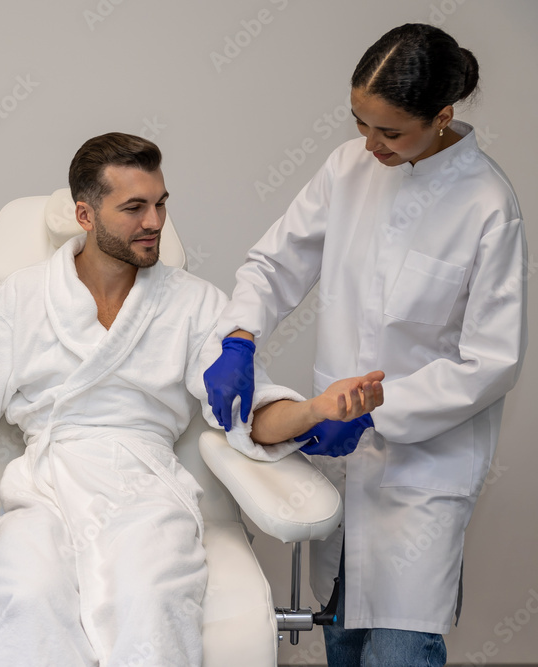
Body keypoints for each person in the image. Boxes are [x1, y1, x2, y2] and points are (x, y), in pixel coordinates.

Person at [0, 132, 384, 666]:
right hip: (46, 490)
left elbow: (247, 413)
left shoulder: (194, 303)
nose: (154, 221)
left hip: (148, 489)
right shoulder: (20, 298)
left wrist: (314, 411)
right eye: (134, 207)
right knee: (32, 594)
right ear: (85, 215)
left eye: (161, 204)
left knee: (153, 597)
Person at [203, 24, 527, 667]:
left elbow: (490, 362)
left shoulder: (488, 205)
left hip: (423, 468)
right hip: (340, 457)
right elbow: (275, 264)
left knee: (402, 646)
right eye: (360, 123)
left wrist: (375, 412)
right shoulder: (347, 168)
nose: (371, 144)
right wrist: (239, 337)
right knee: (343, 634)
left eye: (390, 132)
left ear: (441, 117)